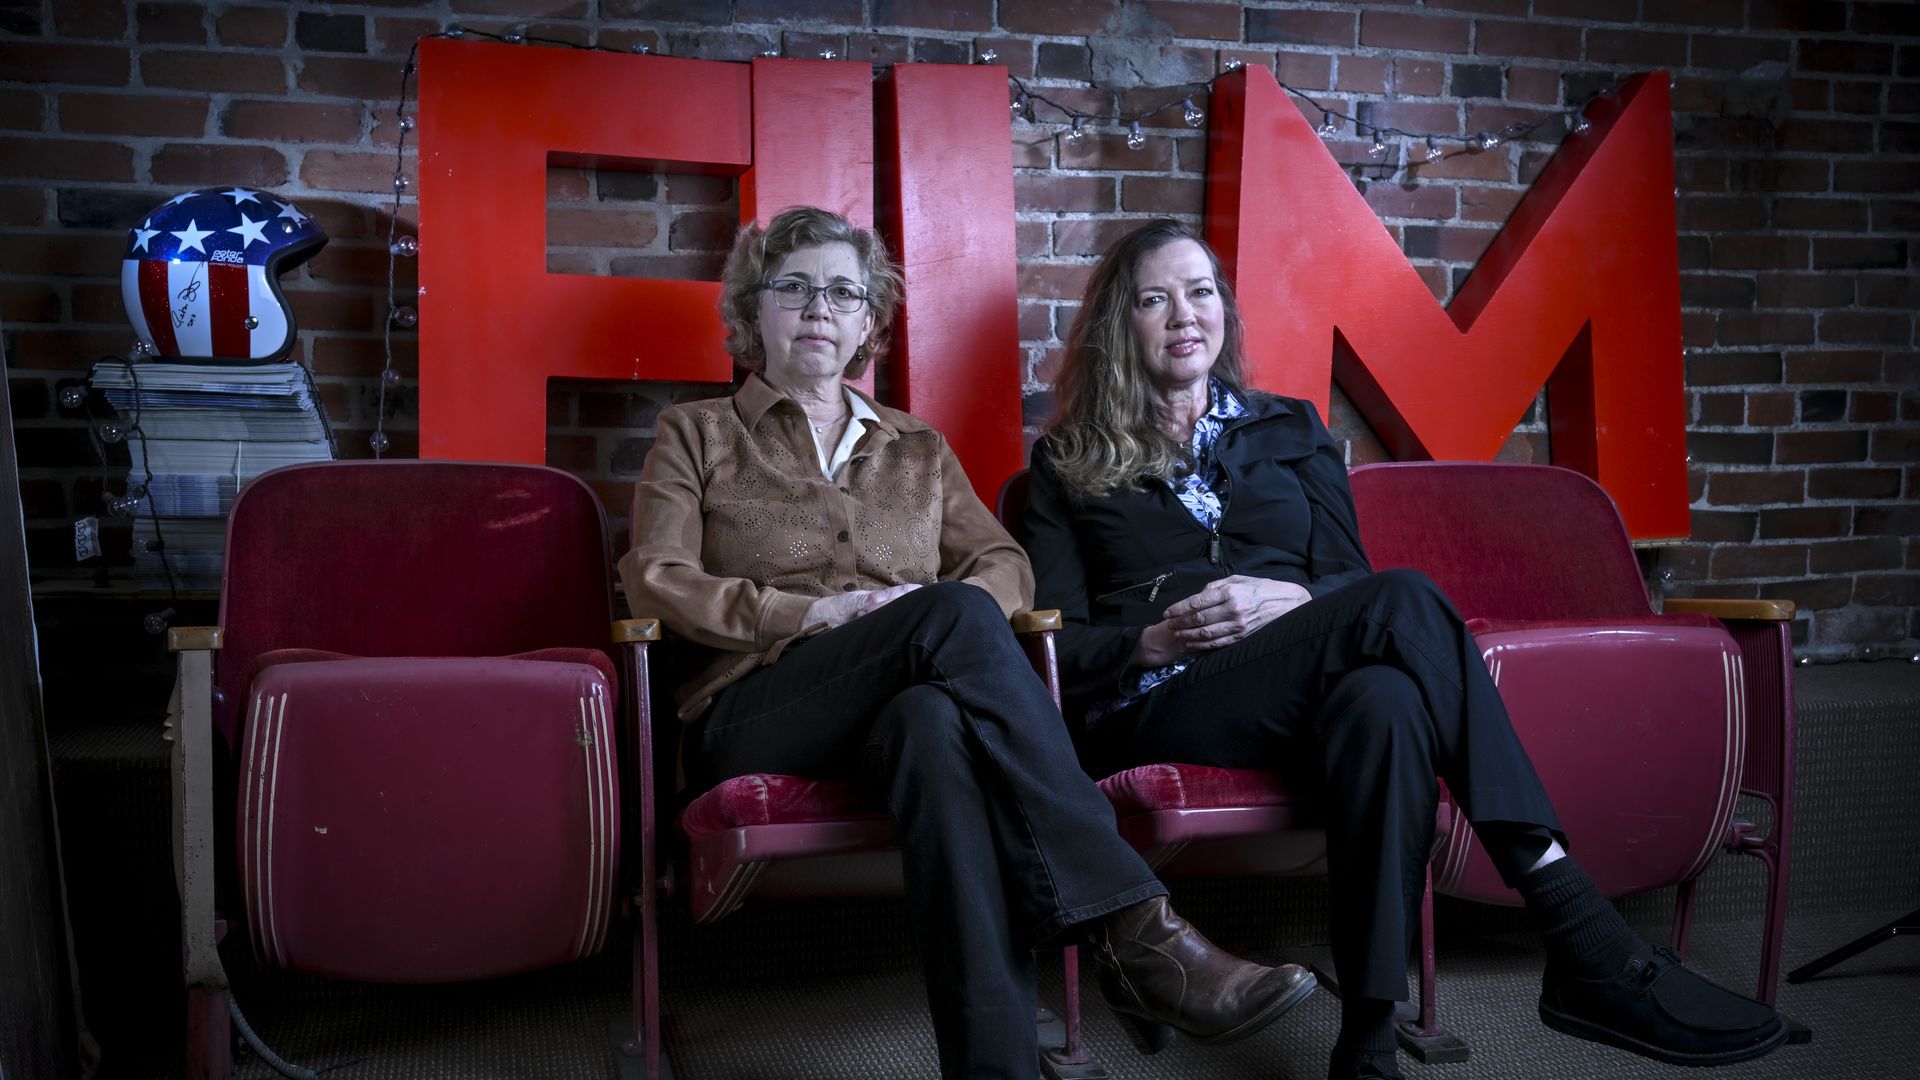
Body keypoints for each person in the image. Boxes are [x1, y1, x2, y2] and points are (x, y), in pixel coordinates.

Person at [1017, 219, 1787, 1080]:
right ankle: (1577, 927)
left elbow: (1347, 580)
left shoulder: (1291, 430)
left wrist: (1296, 597)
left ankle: (1370, 1044)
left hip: (1292, 680)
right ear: (1120, 323)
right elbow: (1055, 650)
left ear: (1223, 310)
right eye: (1154, 300)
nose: (1183, 315)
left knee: (1382, 705)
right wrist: (1150, 640)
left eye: (1200, 292)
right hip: (1162, 701)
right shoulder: (1066, 462)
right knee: (1409, 598)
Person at [619, 206, 1316, 1079]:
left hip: (891, 711)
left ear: (869, 320)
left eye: (843, 293)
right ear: (753, 310)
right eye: (793, 289)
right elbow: (656, 579)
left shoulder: (916, 447)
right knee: (947, 616)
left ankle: (995, 1065)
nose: (819, 310)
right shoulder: (698, 434)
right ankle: (1138, 932)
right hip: (758, 707)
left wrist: (935, 620)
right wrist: (812, 616)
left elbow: (1002, 566)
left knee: (932, 724)